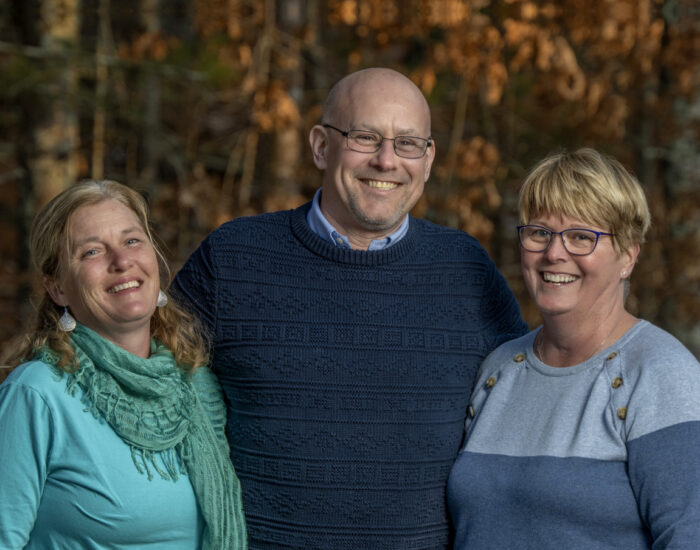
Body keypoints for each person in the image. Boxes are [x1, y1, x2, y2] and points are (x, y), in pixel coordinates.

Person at [173, 67, 528, 549]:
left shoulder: (466, 270)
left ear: (427, 160)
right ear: (321, 146)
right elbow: (144, 378)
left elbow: (531, 403)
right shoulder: (234, 259)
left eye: (407, 143)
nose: (387, 160)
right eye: (365, 137)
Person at [447, 148, 700, 549]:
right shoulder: (498, 370)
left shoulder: (660, 373)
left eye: (581, 237)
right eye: (539, 233)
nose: (554, 253)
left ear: (628, 256)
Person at [0, 181, 247, 549]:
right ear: (58, 288)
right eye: (92, 251)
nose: (121, 260)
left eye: (132, 241)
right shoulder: (37, 393)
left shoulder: (195, 386)